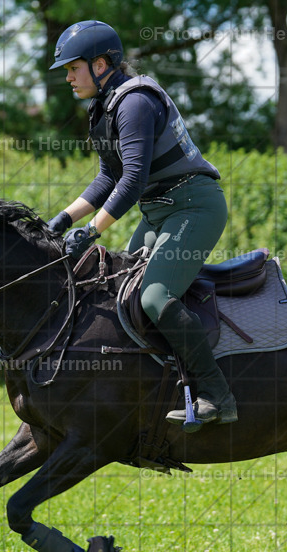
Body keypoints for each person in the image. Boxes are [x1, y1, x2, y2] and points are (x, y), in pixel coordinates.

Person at [46, 20, 236, 430]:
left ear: (100, 65)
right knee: (115, 286)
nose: (67, 77)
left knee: (153, 297)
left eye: (72, 68)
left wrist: (93, 230)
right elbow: (106, 179)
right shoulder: (105, 107)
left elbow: (131, 180)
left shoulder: (133, 104)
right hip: (159, 211)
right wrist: (61, 220)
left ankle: (216, 395)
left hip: (193, 206)